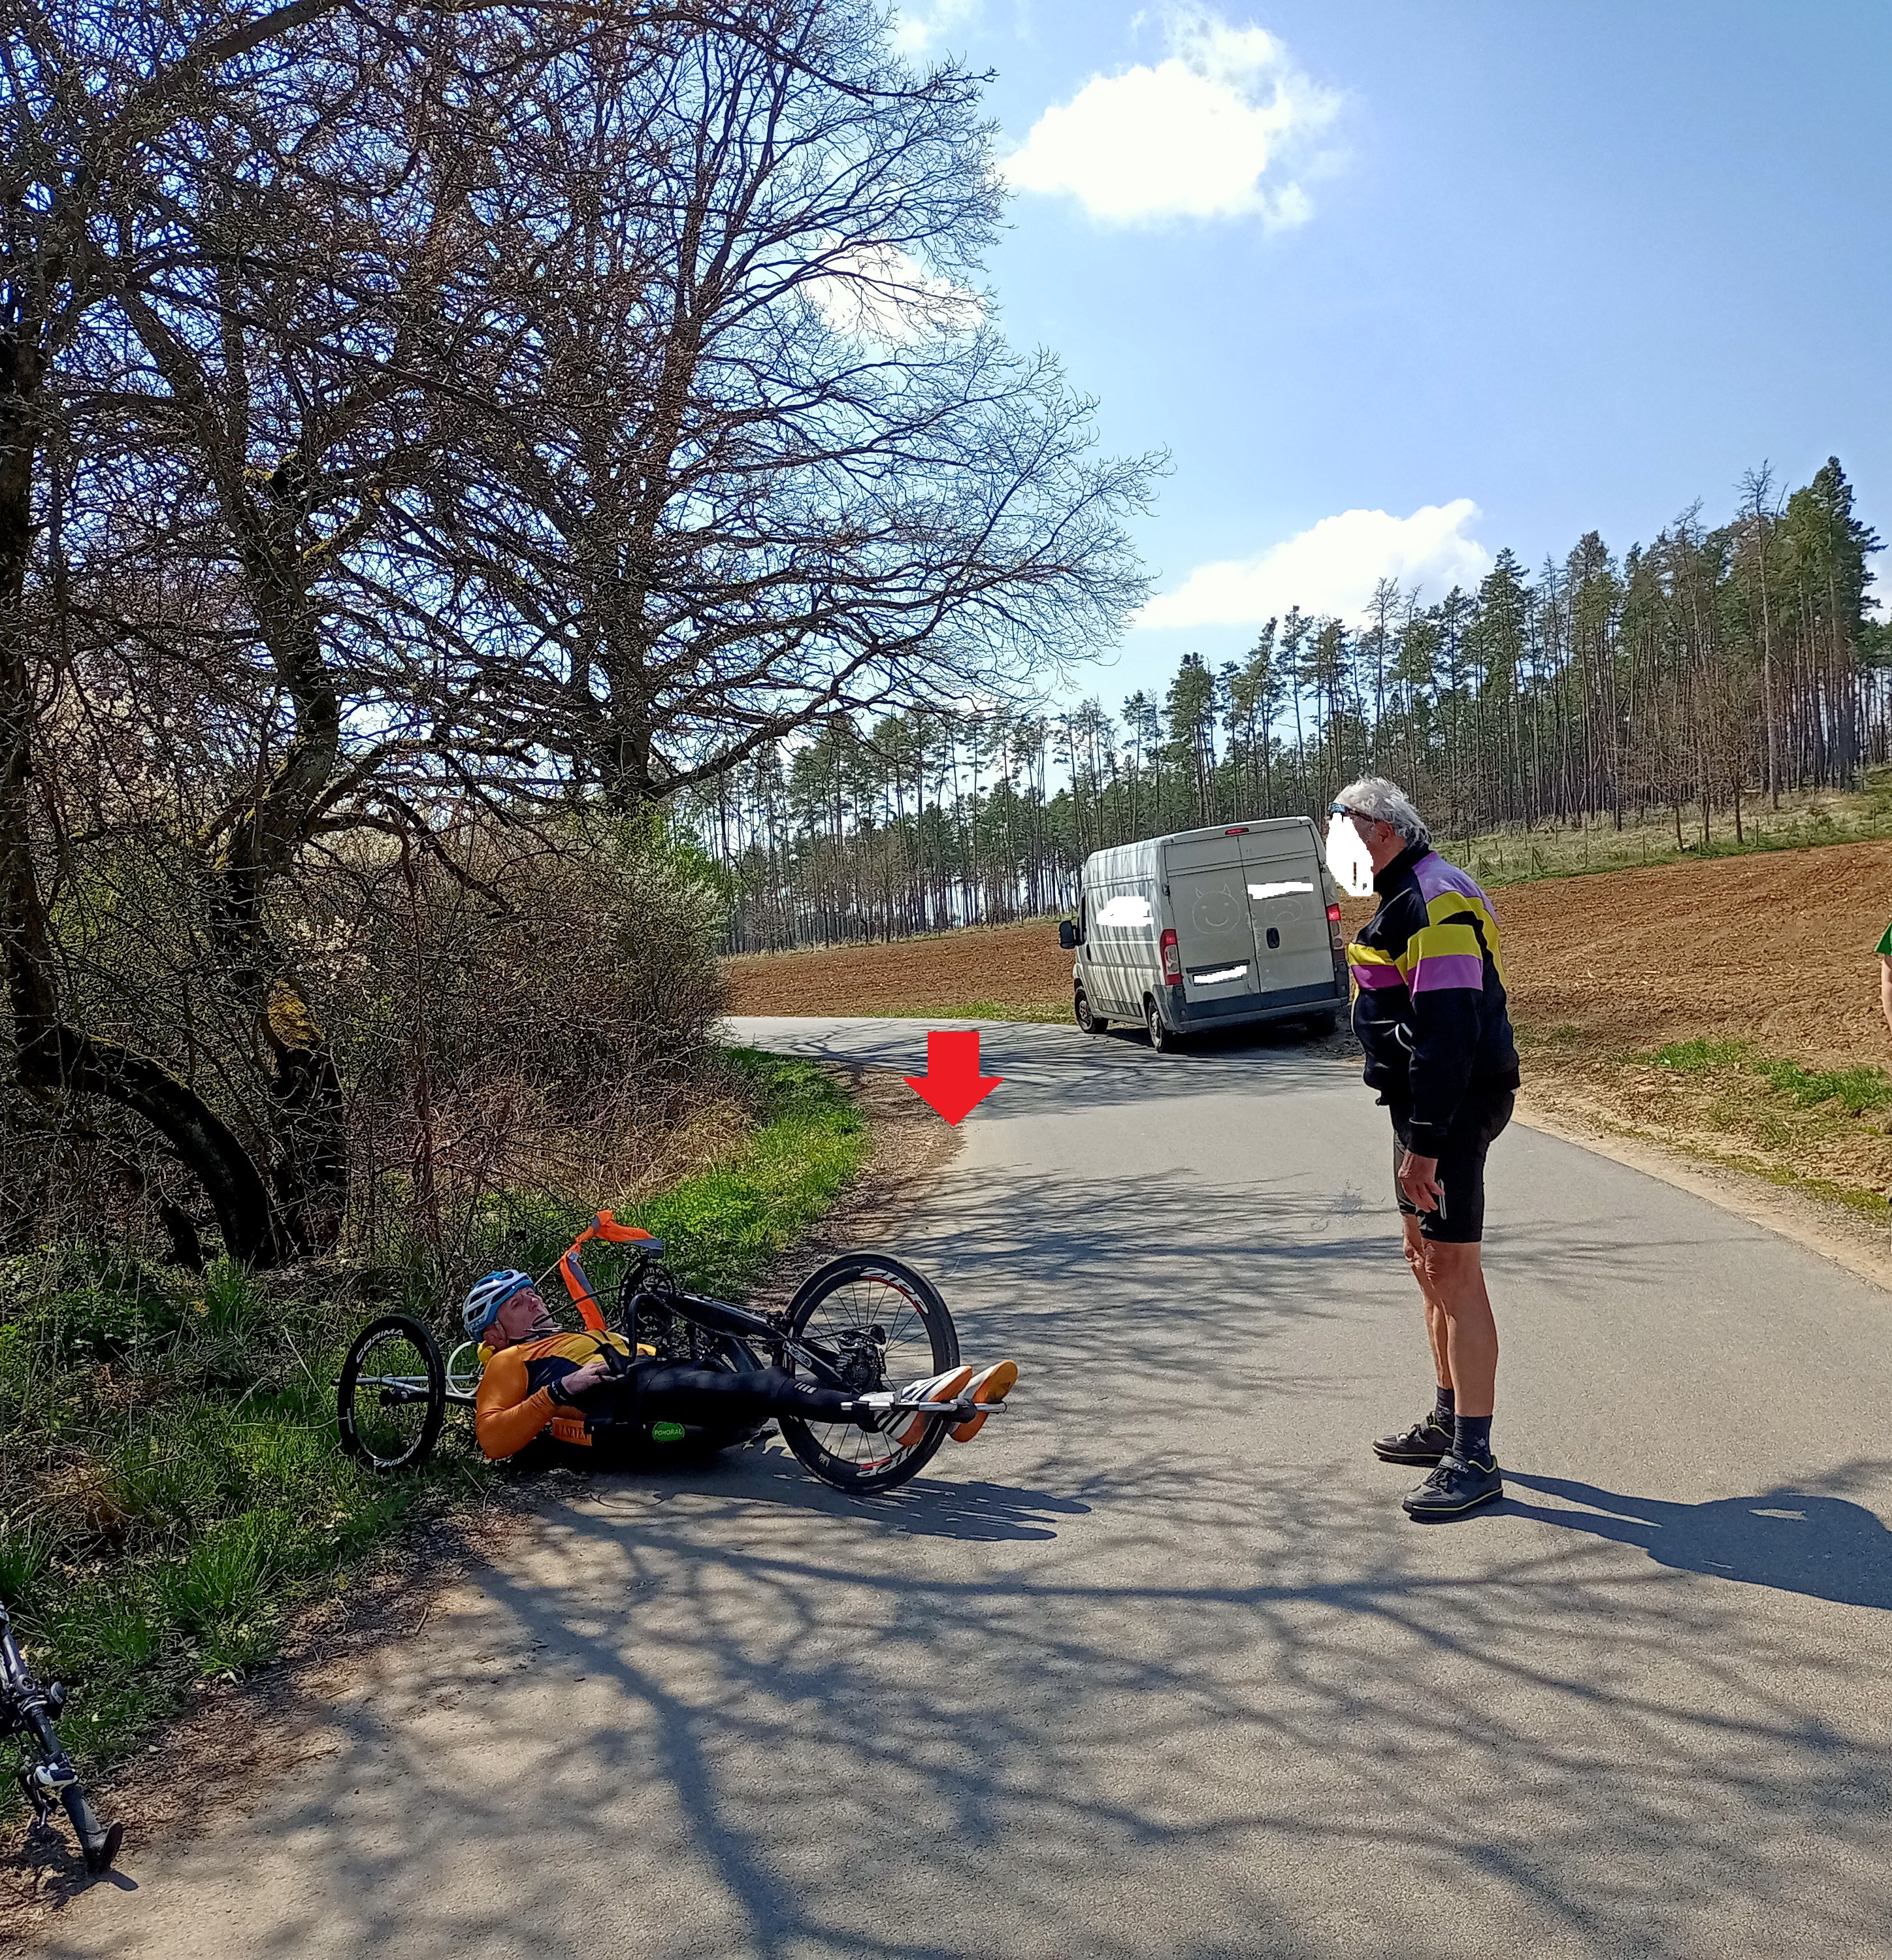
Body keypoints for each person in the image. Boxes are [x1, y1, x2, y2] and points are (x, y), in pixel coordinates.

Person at [1331, 777, 1521, 1519]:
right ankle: (1447, 1419)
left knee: (1453, 1268)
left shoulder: (1433, 899)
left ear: (1379, 830)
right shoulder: (1399, 894)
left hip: (1453, 1105)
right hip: (1417, 1106)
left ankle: (1475, 1454)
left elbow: (1451, 1034)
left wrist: (1427, 1145)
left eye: (1340, 834)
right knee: (1423, 1263)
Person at [461, 1269, 1017, 1462]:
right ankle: (894, 1407)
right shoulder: (508, 1362)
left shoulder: (569, 1331)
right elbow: (490, 1437)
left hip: (662, 1371)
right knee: (767, 1386)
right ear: (492, 1331)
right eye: (517, 1302)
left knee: (761, 1344)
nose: (535, 1302)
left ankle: (938, 1415)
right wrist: (559, 1393)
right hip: (635, 1394)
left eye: (533, 1293)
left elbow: (581, 1288)